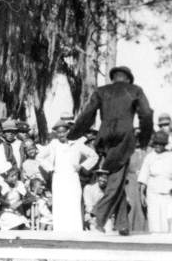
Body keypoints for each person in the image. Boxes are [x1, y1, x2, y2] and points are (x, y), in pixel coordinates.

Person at [69, 66, 153, 235]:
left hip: (105, 138)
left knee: (117, 178)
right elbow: (146, 114)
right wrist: (144, 139)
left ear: (113, 78)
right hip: (124, 139)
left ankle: (122, 223)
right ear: (128, 79)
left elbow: (87, 114)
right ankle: (98, 216)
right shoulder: (135, 90)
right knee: (116, 180)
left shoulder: (101, 91)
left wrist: (74, 133)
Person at [40, 119, 98, 232]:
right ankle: (60, 232)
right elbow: (40, 157)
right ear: (56, 133)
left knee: (73, 203)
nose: (61, 134)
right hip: (58, 178)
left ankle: (75, 231)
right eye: (58, 132)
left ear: (68, 131)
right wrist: (51, 168)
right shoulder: (53, 144)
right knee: (60, 204)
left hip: (72, 177)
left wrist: (82, 166)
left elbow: (94, 156)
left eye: (63, 132)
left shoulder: (76, 145)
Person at [138, 130, 172, 233]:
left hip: (168, 193)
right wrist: (142, 193)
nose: (157, 146)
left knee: (167, 220)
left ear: (165, 144)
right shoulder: (149, 157)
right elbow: (144, 175)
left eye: (160, 144)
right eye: (155, 143)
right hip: (153, 193)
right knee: (154, 220)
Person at [125, 128, 148, 232]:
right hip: (131, 183)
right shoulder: (127, 152)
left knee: (144, 210)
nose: (137, 140)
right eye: (135, 138)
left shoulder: (148, 151)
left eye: (140, 138)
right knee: (132, 208)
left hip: (145, 184)